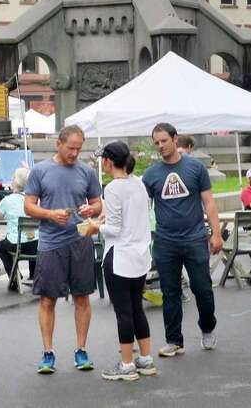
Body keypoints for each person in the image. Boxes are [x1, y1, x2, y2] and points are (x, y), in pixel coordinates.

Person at [24, 125, 103, 375]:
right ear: (58, 143)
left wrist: (92, 210)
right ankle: (48, 353)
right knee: (48, 299)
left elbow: (98, 204)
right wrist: (49, 214)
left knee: (82, 297)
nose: (75, 153)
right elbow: (28, 206)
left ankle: (81, 349)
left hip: (80, 241)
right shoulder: (40, 171)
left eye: (79, 148)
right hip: (50, 243)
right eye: (71, 148)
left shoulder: (86, 172)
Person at [143, 122, 221, 357]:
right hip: (165, 241)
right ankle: (174, 340)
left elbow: (209, 202)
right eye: (156, 142)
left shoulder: (195, 168)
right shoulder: (151, 174)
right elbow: (141, 206)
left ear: (175, 139)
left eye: (164, 141)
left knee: (202, 288)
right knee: (170, 292)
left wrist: (216, 233)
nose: (160, 146)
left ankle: (207, 328)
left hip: (195, 238)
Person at [84, 142, 156, 382]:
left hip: (120, 256)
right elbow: (133, 217)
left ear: (108, 162)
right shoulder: (139, 183)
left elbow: (114, 229)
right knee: (136, 309)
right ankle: (145, 359)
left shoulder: (113, 188)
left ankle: (126, 365)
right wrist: (105, 220)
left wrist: (95, 226)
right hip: (140, 254)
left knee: (123, 313)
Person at [0, 167, 39, 292]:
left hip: (17, 244)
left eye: (14, 177)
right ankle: (33, 275)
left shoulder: (7, 200)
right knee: (32, 236)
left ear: (16, 182)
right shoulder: (35, 200)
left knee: (1, 247)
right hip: (36, 244)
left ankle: (15, 278)